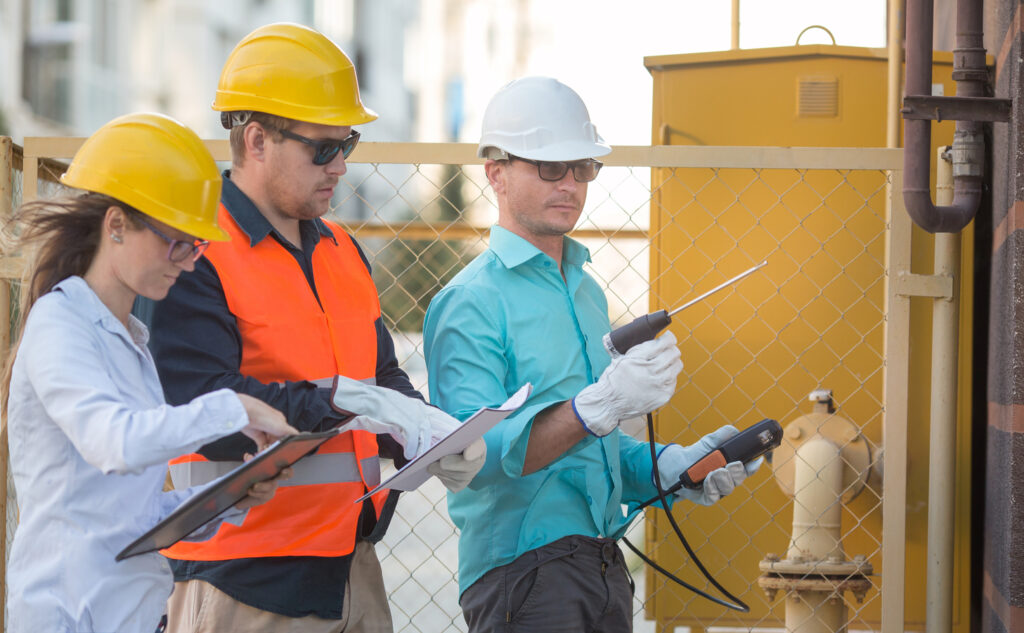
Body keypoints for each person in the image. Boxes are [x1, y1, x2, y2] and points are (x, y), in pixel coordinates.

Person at [148, 23, 485, 633]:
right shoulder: (193, 255)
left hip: (352, 566)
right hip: (243, 580)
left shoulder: (341, 251)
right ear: (256, 140)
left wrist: (427, 433)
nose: (341, 165)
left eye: (348, 143)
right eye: (323, 148)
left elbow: (379, 376)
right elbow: (203, 407)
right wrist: (340, 400)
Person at [422, 76, 763, 632]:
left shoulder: (584, 290)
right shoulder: (470, 302)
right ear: (496, 172)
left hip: (603, 565)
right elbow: (472, 459)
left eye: (582, 167)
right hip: (521, 577)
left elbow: (591, 452)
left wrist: (672, 468)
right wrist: (594, 407)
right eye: (550, 167)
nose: (571, 184)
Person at [2, 112, 299, 633]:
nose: (188, 262)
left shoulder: (132, 341)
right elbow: (114, 444)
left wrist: (226, 496)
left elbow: (131, 517)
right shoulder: (60, 323)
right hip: (68, 618)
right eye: (176, 242)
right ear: (115, 225)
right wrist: (233, 407)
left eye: (197, 244)